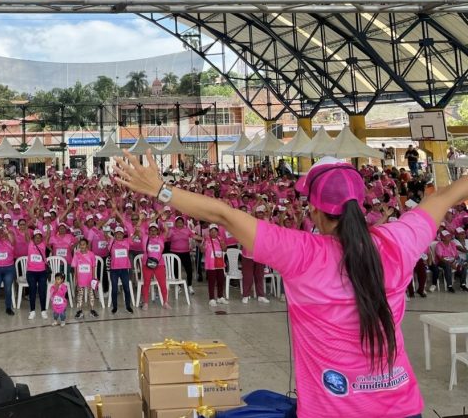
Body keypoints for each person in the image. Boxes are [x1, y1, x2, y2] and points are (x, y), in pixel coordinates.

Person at [114, 150, 466, 418]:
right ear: (359, 204)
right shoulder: (397, 242)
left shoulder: (302, 253)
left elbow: (224, 214)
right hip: (403, 407)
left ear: (314, 211)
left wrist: (159, 189)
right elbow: (444, 197)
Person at [71, 238, 98, 319]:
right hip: (80, 278)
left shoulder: (91, 254)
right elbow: (75, 267)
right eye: (80, 244)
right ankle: (79, 311)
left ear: (87, 245)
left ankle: (92, 310)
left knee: (91, 294)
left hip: (89, 278)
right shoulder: (76, 254)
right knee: (80, 294)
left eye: (83, 244)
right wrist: (76, 278)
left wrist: (93, 278)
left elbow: (93, 267)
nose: (82, 246)